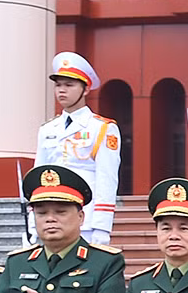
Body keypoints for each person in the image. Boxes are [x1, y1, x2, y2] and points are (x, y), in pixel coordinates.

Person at [35, 53, 122, 245]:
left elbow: (107, 179)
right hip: (52, 217)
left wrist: (102, 227)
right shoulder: (47, 129)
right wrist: (34, 224)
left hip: (86, 218)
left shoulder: (102, 128)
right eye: (58, 85)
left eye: (69, 85)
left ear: (86, 89)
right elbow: (39, 177)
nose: (62, 90)